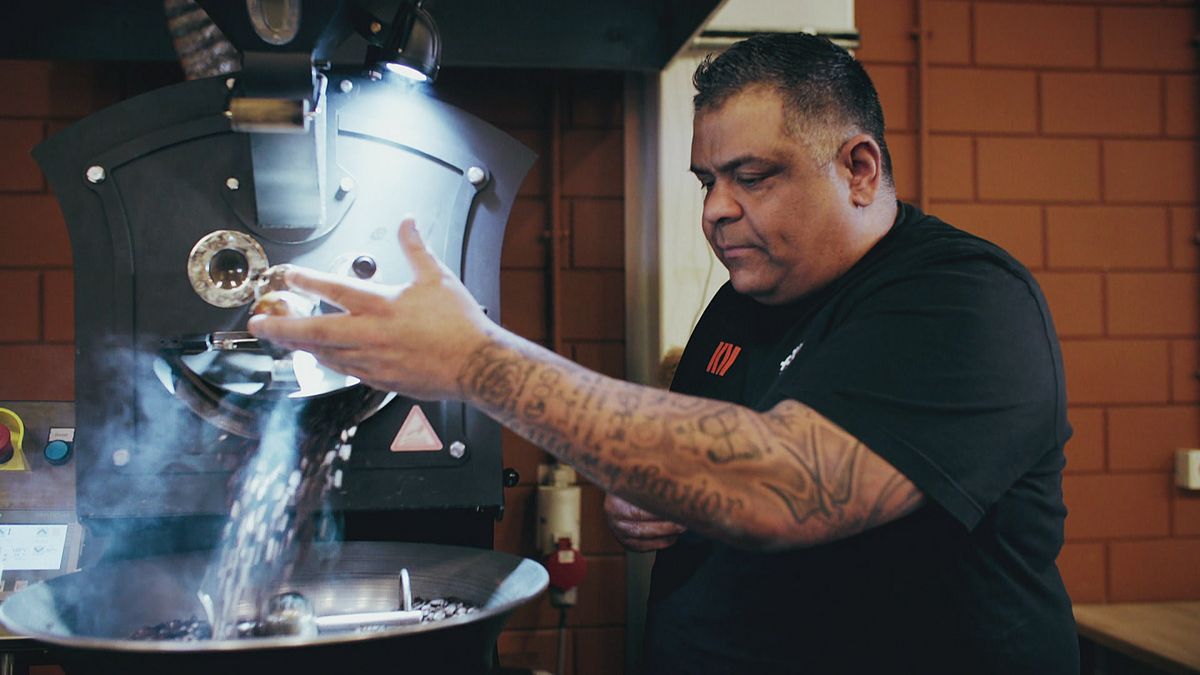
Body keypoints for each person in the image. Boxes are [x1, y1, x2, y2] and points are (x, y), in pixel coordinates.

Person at [249, 32, 1078, 674]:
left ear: (859, 169)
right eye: (705, 180)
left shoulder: (962, 301)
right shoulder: (746, 302)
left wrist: (475, 362)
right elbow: (718, 459)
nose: (716, 210)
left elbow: (784, 486)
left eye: (752, 176)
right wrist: (665, 490)